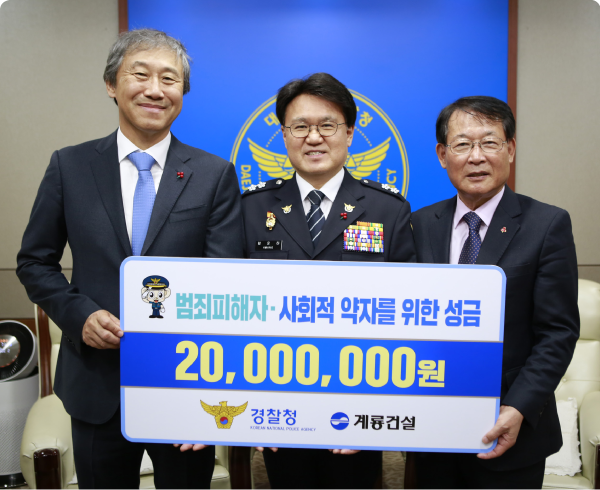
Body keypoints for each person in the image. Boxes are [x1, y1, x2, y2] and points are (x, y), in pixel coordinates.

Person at [16, 28, 244, 489]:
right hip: (96, 386)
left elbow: (225, 281)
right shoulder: (70, 166)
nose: (155, 89)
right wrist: (79, 315)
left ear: (182, 93)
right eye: (140, 75)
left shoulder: (214, 174)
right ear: (111, 84)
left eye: (169, 79)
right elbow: (34, 262)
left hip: (184, 384)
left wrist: (212, 385)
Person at [241, 72, 417, 489]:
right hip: (278, 402)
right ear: (285, 135)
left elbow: (407, 314)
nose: (314, 138)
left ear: (350, 133)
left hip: (359, 401)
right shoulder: (250, 208)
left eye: (327, 125)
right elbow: (234, 309)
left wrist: (373, 410)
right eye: (300, 127)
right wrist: (254, 409)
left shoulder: (388, 210)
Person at [410, 96, 579, 489]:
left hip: (510, 432)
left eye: (489, 143)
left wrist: (518, 407)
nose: (476, 157)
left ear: (511, 149)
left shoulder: (546, 225)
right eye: (462, 144)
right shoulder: (420, 224)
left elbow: (557, 333)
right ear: (442, 155)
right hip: (432, 430)